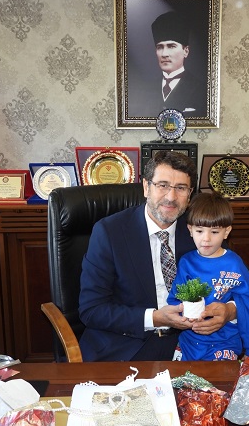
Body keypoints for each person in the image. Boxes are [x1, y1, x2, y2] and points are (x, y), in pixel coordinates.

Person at [78, 151, 236, 362]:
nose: (171, 197)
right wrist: (154, 318)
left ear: (190, 194)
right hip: (128, 346)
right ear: (146, 187)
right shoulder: (109, 232)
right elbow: (92, 310)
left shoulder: (200, 229)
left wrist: (229, 310)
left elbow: (248, 280)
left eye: (181, 188)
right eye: (162, 185)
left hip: (192, 343)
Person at [166, 192, 249, 361]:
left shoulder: (234, 264)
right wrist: (183, 315)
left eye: (214, 232)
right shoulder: (186, 262)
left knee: (219, 378)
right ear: (190, 230)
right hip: (189, 343)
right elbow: (174, 299)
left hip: (224, 343)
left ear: (226, 232)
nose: (206, 239)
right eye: (199, 231)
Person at [128, 11, 208, 118]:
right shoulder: (145, 90)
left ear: (186, 51)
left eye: (171, 46)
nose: (164, 54)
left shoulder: (203, 91)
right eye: (160, 47)